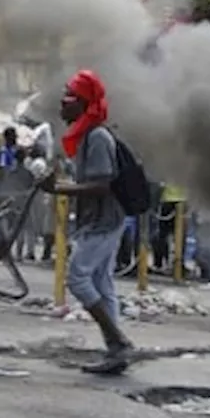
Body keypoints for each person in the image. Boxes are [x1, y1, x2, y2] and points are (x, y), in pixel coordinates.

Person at [38, 69, 133, 374]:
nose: (61, 104)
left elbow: (102, 185)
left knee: (78, 279)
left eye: (68, 98)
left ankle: (118, 341)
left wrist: (61, 189)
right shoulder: (86, 136)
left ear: (83, 103)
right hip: (100, 219)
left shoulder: (98, 137)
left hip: (104, 221)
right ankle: (116, 351)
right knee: (103, 285)